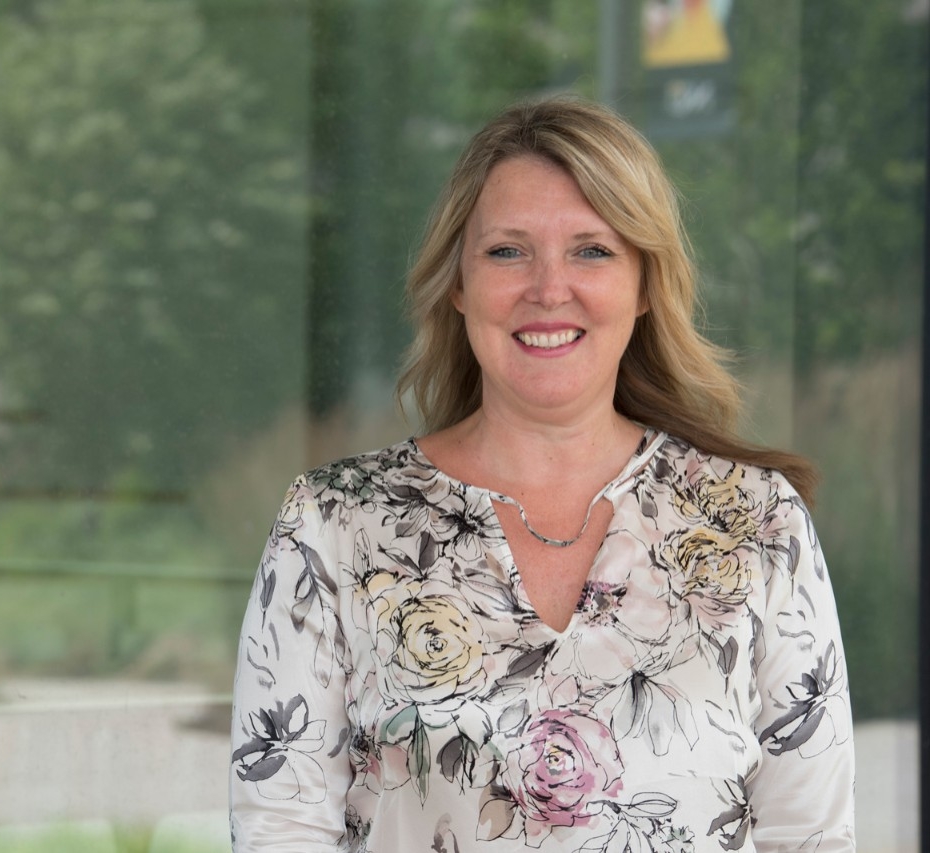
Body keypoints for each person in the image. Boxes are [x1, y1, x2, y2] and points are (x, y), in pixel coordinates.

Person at [229, 95, 855, 852]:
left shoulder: (756, 523)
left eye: (592, 249)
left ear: (646, 283)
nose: (549, 288)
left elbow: (812, 837)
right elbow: (281, 831)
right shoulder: (333, 526)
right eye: (507, 251)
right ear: (457, 283)